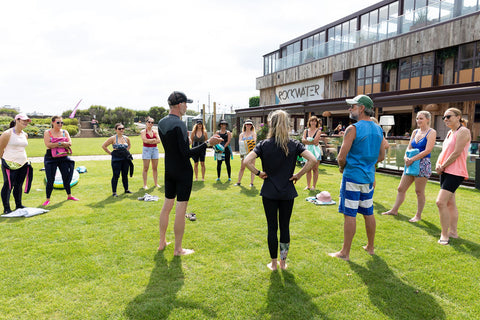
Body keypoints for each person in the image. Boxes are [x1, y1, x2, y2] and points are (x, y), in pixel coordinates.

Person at [244, 110, 316, 271]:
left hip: (269, 191)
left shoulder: (263, 145)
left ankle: (274, 264)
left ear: (271, 124)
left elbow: (247, 161)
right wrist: (298, 175)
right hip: (287, 192)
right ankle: (283, 263)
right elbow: (313, 159)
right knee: (285, 227)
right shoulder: (294, 144)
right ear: (286, 124)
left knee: (272, 227)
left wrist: (258, 173)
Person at [157, 91, 222, 256]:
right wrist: (208, 143)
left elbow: (174, 148)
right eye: (186, 104)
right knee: (180, 208)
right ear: (179, 105)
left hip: (169, 169)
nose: (187, 107)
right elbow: (186, 154)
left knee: (166, 207)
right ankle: (178, 249)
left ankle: (162, 242)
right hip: (182, 171)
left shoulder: (162, 122)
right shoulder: (179, 124)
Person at [329, 95, 384, 261]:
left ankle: (344, 253)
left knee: (350, 214)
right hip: (368, 178)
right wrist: (369, 164)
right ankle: (370, 247)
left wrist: (342, 167)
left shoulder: (353, 129)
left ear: (361, 108)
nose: (349, 109)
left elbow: (341, 157)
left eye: (352, 106)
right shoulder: (378, 129)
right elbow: (381, 156)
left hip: (352, 177)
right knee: (368, 212)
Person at [381, 111, 436, 222]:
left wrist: (412, 159)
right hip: (410, 163)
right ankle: (394, 210)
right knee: (401, 188)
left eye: (421, 118)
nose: (418, 121)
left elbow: (428, 150)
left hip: (422, 163)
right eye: (417, 118)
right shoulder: (415, 132)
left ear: (428, 119)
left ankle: (418, 215)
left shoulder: (431, 132)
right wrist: (406, 157)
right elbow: (409, 147)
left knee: (419, 191)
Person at [435, 108, 471, 245]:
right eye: (444, 117)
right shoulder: (451, 132)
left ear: (458, 117)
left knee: (440, 202)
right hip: (445, 170)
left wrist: (443, 165)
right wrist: (439, 164)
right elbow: (444, 151)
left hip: (455, 172)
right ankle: (453, 232)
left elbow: (456, 153)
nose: (445, 119)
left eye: (448, 116)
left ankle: (444, 235)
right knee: (450, 202)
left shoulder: (463, 131)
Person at [0, 114, 33, 214]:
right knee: (8, 185)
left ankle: (18, 205)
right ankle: (6, 208)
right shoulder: (7, 134)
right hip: (9, 163)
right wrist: (5, 161)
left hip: (23, 163)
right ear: (17, 120)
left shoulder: (25, 134)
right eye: (24, 120)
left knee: (19, 185)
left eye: (27, 121)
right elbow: (0, 149)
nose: (26, 122)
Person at [42, 116, 78, 206]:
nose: (60, 124)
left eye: (62, 123)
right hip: (51, 158)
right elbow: (48, 145)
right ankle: (47, 199)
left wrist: (58, 144)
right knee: (50, 179)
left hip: (63, 157)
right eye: (58, 122)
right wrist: (61, 143)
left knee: (66, 177)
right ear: (53, 123)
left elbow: (70, 143)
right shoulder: (47, 132)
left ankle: (69, 195)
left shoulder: (65, 132)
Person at [102, 123, 133, 197]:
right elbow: (104, 146)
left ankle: (126, 189)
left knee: (125, 174)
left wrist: (126, 151)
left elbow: (129, 145)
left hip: (125, 158)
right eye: (119, 129)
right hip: (117, 159)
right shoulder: (112, 138)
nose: (121, 130)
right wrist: (111, 153)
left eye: (123, 128)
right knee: (116, 175)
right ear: (116, 130)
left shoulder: (126, 138)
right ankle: (114, 192)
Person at [301, 116, 322, 190]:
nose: (313, 122)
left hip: (316, 152)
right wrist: (311, 142)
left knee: (315, 169)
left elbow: (316, 141)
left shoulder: (318, 131)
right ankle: (308, 185)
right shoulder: (306, 131)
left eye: (315, 121)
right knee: (308, 169)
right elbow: (302, 141)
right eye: (312, 121)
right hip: (307, 151)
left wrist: (307, 141)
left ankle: (313, 186)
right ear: (309, 122)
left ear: (317, 123)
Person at [234, 119, 257, 187]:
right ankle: (238, 182)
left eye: (250, 124)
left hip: (252, 152)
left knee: (252, 167)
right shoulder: (242, 134)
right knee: (242, 167)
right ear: (245, 125)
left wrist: (245, 143)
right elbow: (240, 143)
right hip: (244, 153)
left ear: (252, 126)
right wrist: (248, 143)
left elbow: (254, 142)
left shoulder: (253, 133)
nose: (248, 125)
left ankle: (251, 183)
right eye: (247, 124)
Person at [140, 116, 161, 189]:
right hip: (146, 149)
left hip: (155, 149)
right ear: (146, 123)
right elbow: (144, 140)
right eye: (149, 122)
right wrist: (153, 140)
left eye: (152, 122)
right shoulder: (143, 131)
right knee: (146, 168)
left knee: (155, 168)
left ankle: (156, 183)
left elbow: (158, 141)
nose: (150, 123)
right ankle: (145, 185)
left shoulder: (155, 131)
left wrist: (151, 141)